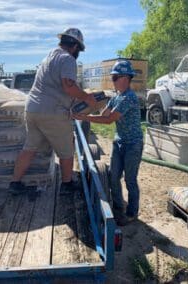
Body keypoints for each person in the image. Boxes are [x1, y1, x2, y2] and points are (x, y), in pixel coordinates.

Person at [9, 27, 97, 195]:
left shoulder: (48, 57)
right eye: (79, 50)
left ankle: (15, 182)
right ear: (75, 47)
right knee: (66, 149)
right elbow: (68, 86)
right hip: (52, 111)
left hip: (32, 109)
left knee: (29, 148)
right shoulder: (68, 59)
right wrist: (87, 97)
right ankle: (67, 184)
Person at [73, 60, 144, 226]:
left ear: (126, 78)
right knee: (113, 177)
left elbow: (108, 120)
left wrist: (85, 117)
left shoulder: (129, 98)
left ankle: (132, 213)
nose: (113, 80)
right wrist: (96, 101)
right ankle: (119, 208)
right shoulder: (117, 96)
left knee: (130, 180)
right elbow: (104, 111)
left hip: (132, 144)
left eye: (115, 77)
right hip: (120, 142)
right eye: (112, 77)